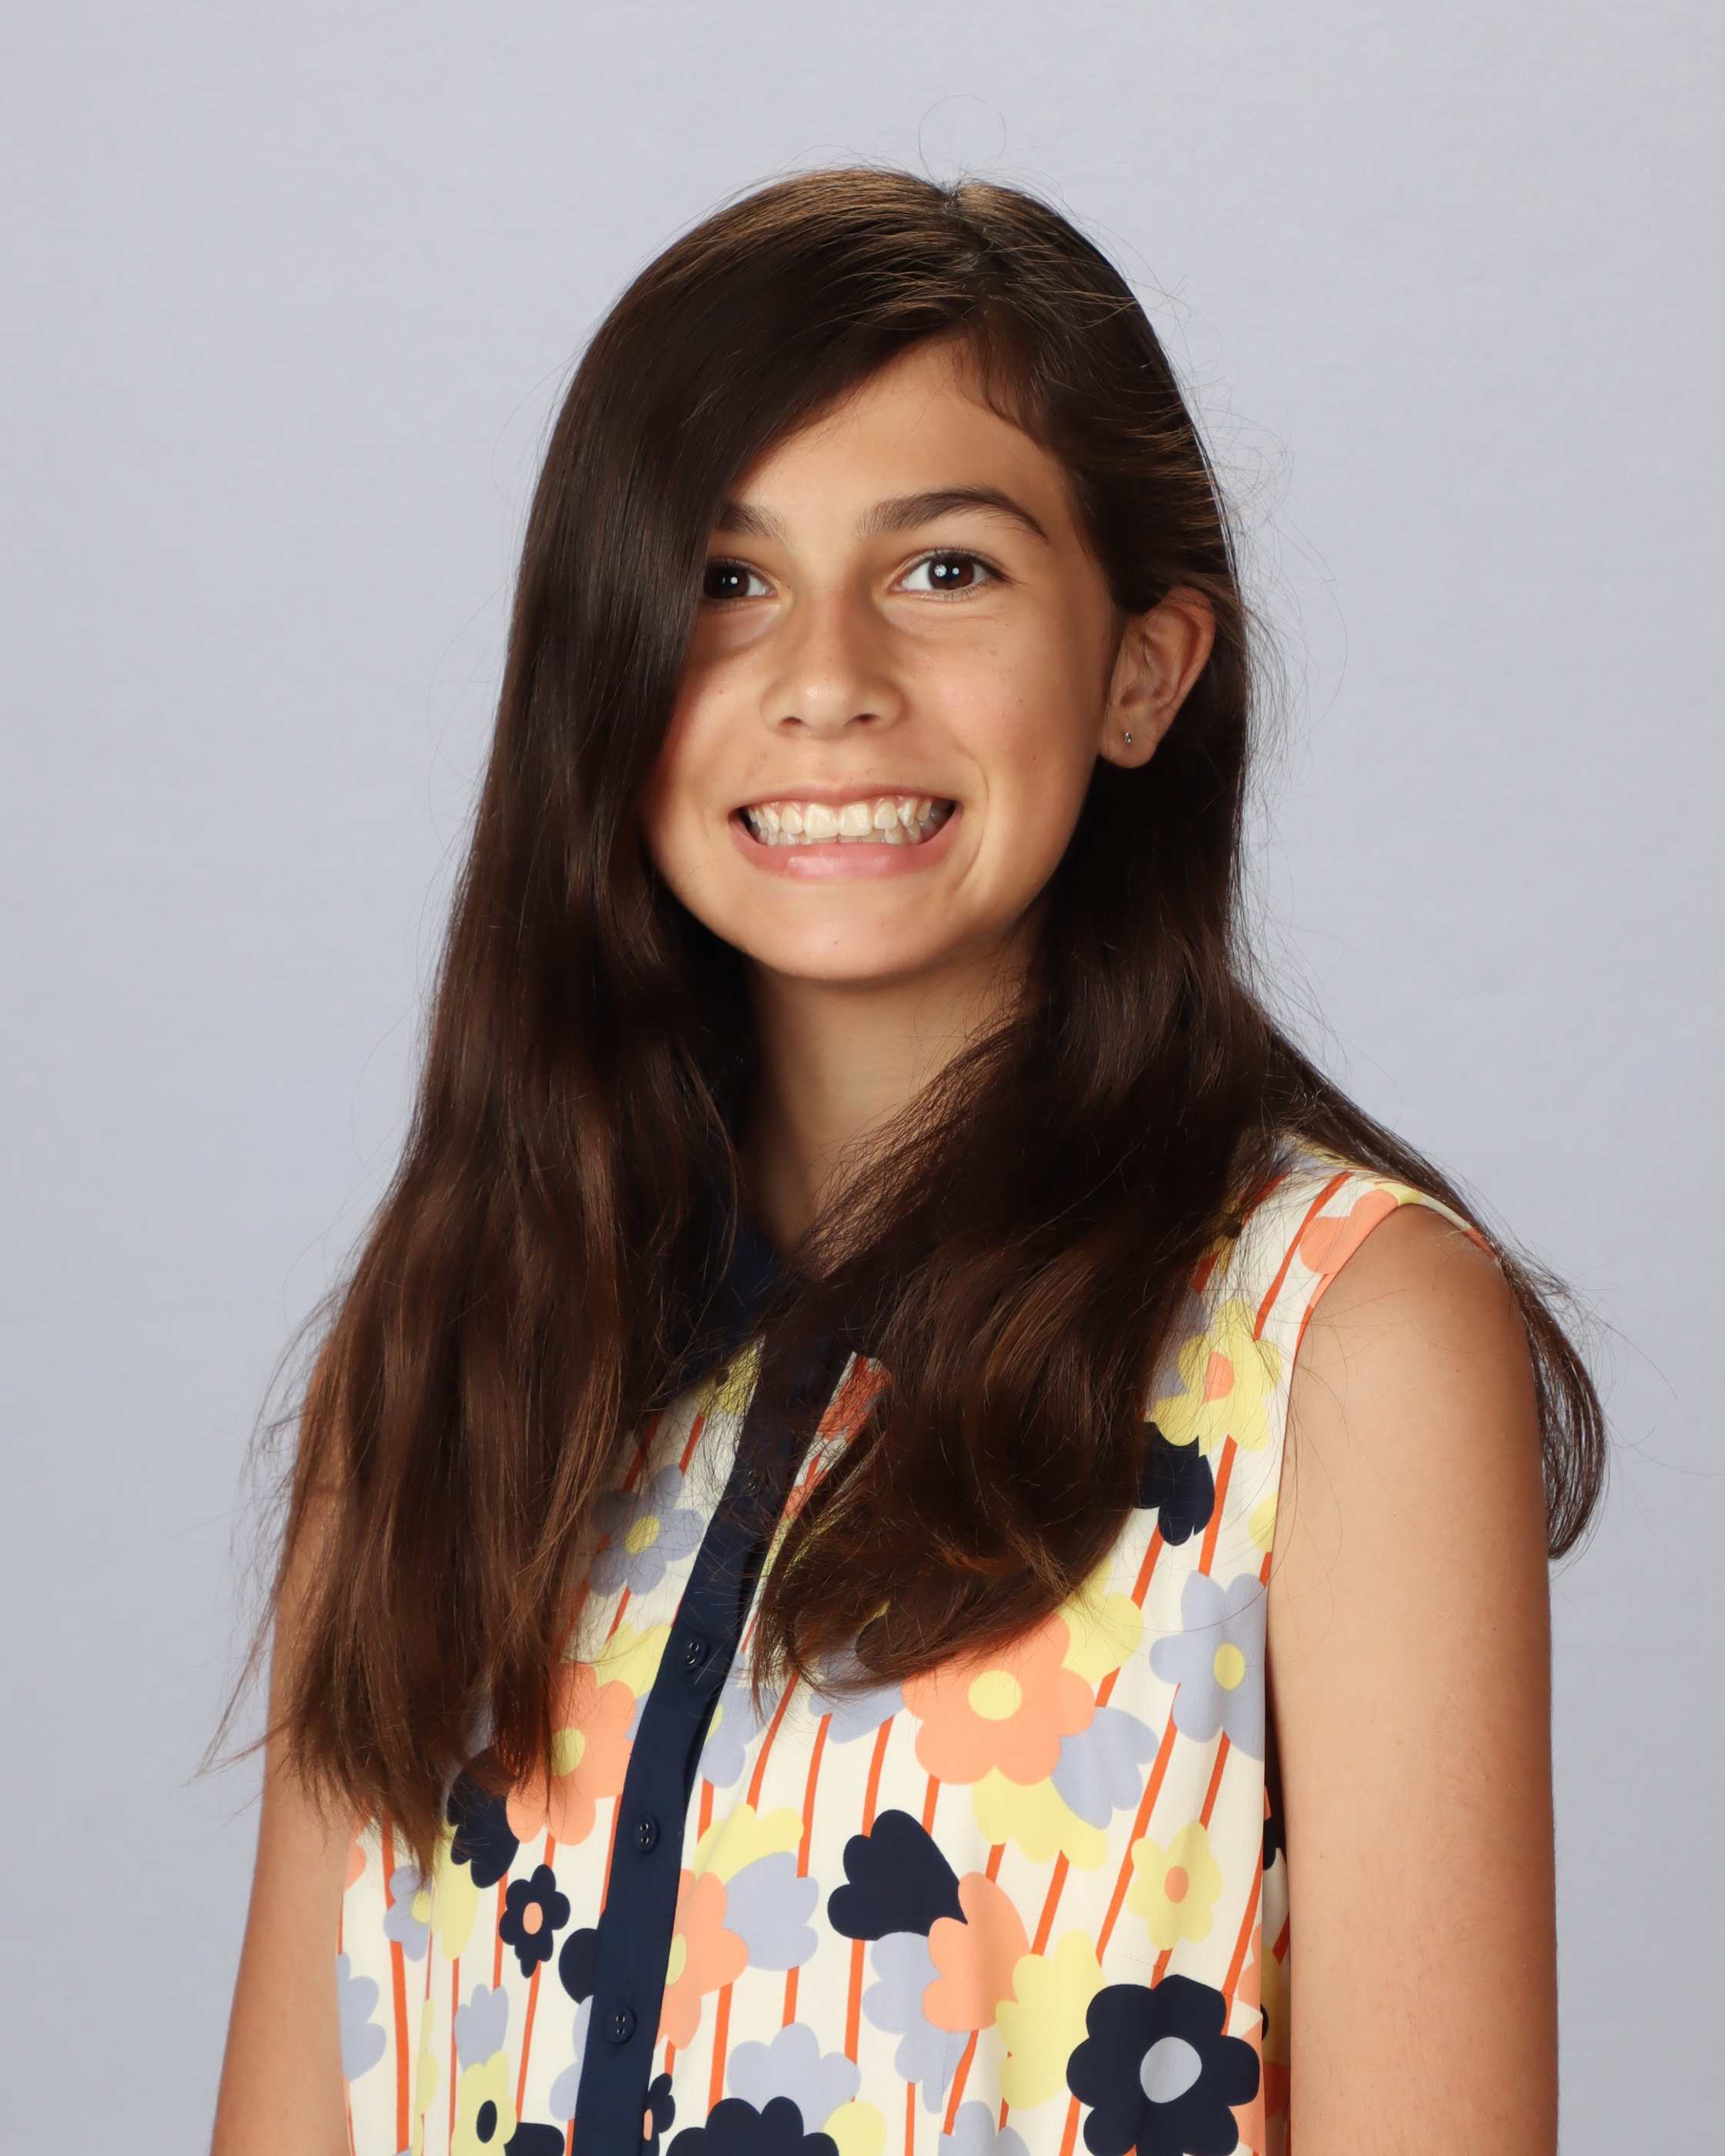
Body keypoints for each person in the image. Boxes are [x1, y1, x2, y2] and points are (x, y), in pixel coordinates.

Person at [213, 170, 1600, 2156]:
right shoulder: (451, 1344)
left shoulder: (1339, 1340)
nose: (829, 676)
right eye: (725, 578)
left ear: (1142, 670)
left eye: (946, 569)